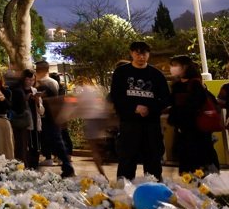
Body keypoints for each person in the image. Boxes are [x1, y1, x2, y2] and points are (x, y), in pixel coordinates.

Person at [110, 40, 170, 181]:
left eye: (144, 54)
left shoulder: (156, 75)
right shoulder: (121, 73)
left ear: (148, 54)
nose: (141, 57)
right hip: (129, 123)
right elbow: (116, 96)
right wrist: (134, 108)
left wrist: (150, 108)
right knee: (127, 158)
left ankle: (154, 186)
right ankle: (124, 188)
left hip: (151, 124)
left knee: (153, 158)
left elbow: (166, 99)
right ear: (131, 53)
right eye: (137, 53)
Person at [168, 55, 218, 175]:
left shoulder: (195, 84)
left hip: (197, 129)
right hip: (183, 130)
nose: (172, 68)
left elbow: (193, 106)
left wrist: (180, 119)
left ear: (185, 67)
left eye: (175, 65)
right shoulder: (176, 85)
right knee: (186, 157)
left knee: (201, 157)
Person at [34, 60, 74, 177]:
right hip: (51, 117)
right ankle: (65, 165)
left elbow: (52, 100)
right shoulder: (51, 82)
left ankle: (67, 166)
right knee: (55, 142)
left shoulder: (47, 83)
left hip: (50, 118)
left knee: (57, 142)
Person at [74, 76, 110, 179]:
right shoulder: (98, 89)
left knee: (94, 150)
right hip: (101, 118)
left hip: (91, 120)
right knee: (99, 146)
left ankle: (103, 175)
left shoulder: (82, 91)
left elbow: (79, 106)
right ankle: (104, 156)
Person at [10, 69, 43, 169]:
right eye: (28, 79)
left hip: (35, 122)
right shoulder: (18, 91)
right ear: (23, 79)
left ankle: (34, 165)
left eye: (32, 80)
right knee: (25, 146)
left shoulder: (34, 90)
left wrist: (37, 101)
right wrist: (25, 99)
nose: (30, 82)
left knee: (35, 146)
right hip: (24, 123)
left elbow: (41, 111)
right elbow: (16, 107)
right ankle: (25, 166)